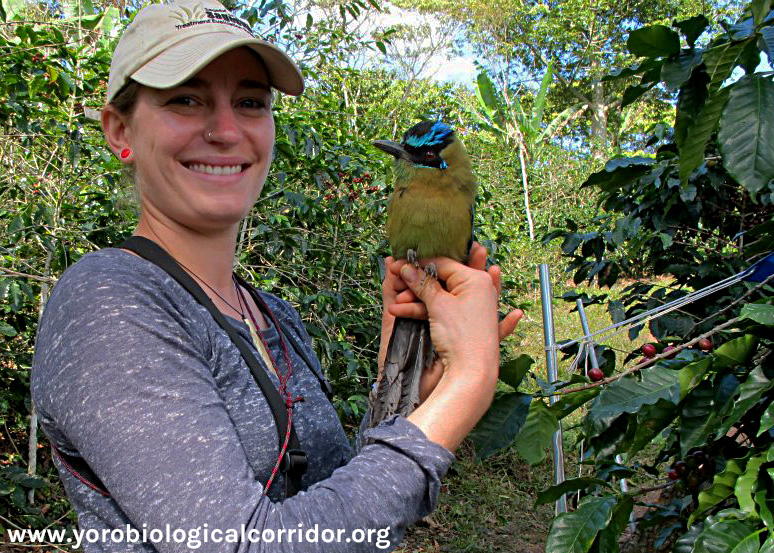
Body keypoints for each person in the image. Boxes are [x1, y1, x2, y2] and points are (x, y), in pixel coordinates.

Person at [30, 1, 523, 551]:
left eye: (250, 102)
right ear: (119, 128)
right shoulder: (111, 304)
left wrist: (409, 394)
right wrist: (468, 385)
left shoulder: (273, 316)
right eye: (186, 99)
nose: (224, 130)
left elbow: (335, 511)